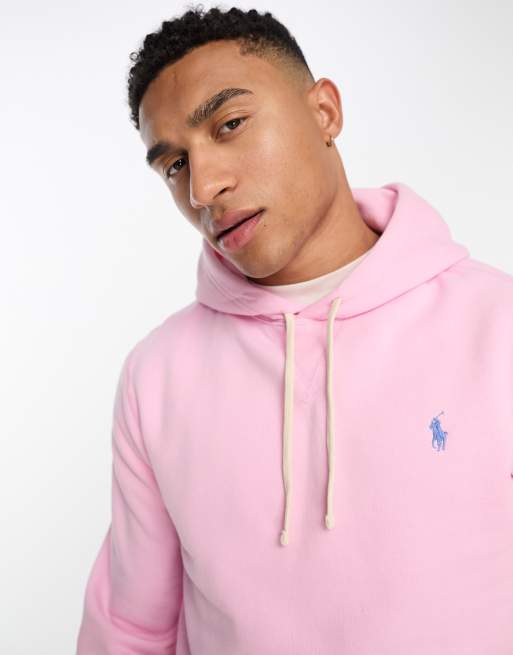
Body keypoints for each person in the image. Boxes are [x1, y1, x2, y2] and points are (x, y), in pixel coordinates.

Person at [76, 5, 513, 654]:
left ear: (324, 112)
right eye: (174, 166)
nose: (203, 187)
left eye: (229, 124)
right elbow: (130, 631)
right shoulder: (157, 375)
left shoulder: (496, 323)